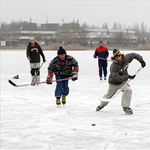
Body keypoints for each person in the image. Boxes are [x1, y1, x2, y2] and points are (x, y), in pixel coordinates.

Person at [96, 49, 146, 115]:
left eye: (119, 56)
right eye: (117, 57)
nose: (119, 58)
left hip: (122, 82)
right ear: (114, 58)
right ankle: (101, 105)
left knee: (128, 90)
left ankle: (126, 107)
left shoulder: (126, 58)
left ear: (121, 55)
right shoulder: (113, 66)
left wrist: (141, 61)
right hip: (113, 83)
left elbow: (134, 55)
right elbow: (116, 78)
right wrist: (128, 77)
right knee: (108, 96)